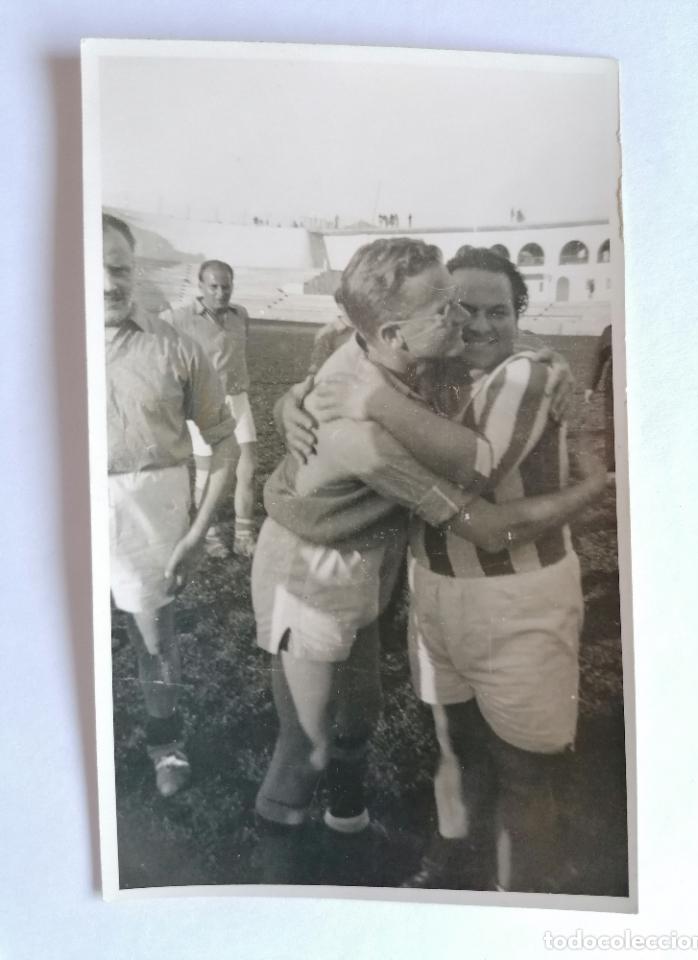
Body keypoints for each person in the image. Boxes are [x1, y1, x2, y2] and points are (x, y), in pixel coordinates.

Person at [253, 238, 606, 884]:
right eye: (447, 309)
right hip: (310, 571)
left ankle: (347, 832)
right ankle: (277, 892)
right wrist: (590, 489)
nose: (463, 322)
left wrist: (546, 359)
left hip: (372, 564)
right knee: (305, 741)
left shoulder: (390, 356)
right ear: (393, 331)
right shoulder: (360, 431)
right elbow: (488, 525)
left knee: (358, 720)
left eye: (467, 305)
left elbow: (338, 359)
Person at [104, 214, 239, 796]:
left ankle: (166, 744)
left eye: (119, 267)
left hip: (148, 508)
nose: (110, 283)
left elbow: (227, 444)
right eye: (95, 268)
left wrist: (197, 532)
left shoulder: (174, 346)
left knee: (154, 639)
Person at [162, 260, 258, 558]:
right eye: (213, 286)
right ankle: (209, 533)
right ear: (200, 286)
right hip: (203, 403)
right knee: (208, 472)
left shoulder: (240, 315)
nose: (220, 293)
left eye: (226, 286)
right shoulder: (178, 317)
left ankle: (244, 533)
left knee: (249, 468)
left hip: (238, 401)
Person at [585, 324, 615, 472]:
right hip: (615, 377)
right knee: (612, 421)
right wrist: (591, 386)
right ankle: (613, 465)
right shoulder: (610, 330)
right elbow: (599, 359)